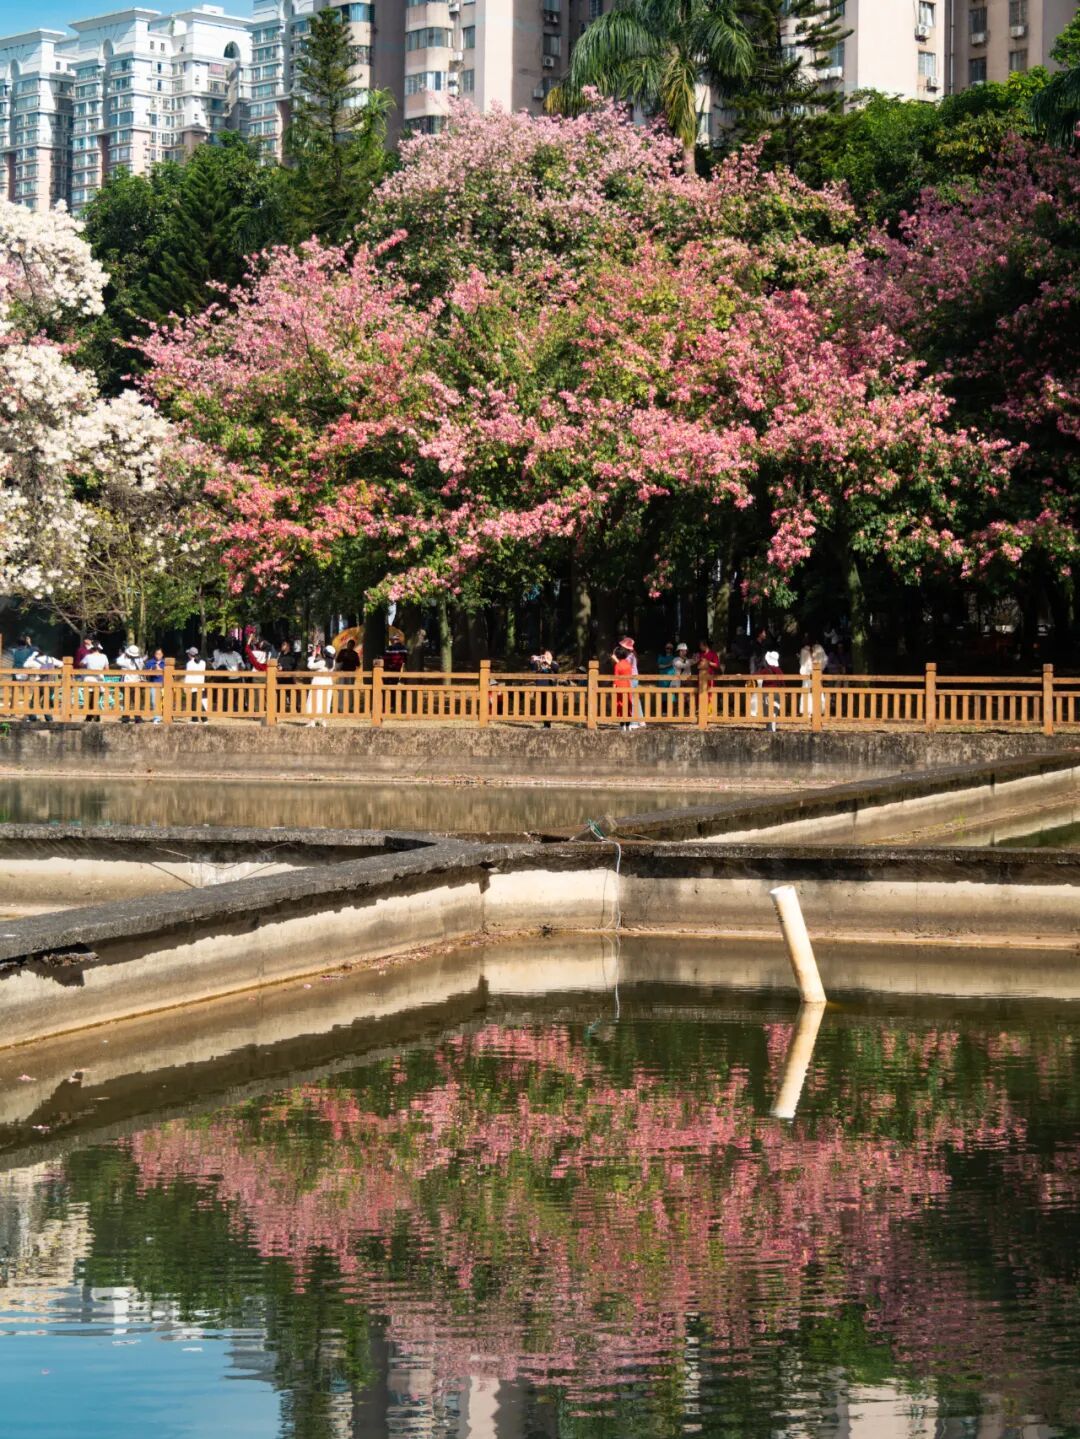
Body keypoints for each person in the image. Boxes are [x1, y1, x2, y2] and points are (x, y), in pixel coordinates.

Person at [116, 643, 144, 722]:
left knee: (126, 701)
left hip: (127, 682)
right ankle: (138, 718)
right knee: (137, 701)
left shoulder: (125, 661)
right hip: (137, 682)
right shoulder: (139, 660)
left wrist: (124, 653)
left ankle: (126, 717)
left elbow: (118, 661)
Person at [81, 641, 109, 721]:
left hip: (88, 679)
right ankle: (94, 717)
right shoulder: (104, 656)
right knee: (96, 699)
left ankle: (91, 717)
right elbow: (107, 668)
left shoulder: (88, 656)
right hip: (99, 679)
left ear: (91, 649)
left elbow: (81, 664)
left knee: (89, 700)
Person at [305, 645, 333, 724]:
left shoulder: (322, 662)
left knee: (314, 700)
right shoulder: (332, 663)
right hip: (328, 682)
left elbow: (310, 666)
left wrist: (313, 656)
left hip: (318, 682)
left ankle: (312, 721)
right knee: (325, 701)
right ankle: (324, 721)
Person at [758, 648, 784, 732]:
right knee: (774, 710)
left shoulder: (765, 670)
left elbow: (755, 675)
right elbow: (782, 682)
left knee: (767, 710)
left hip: (766, 693)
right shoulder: (779, 670)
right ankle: (772, 727)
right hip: (777, 693)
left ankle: (769, 728)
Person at [613, 643, 634, 728]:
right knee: (628, 703)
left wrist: (614, 687)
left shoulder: (617, 665)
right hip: (628, 685)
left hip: (620, 685)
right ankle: (628, 724)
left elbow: (616, 678)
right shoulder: (628, 664)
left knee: (620, 703)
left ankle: (622, 724)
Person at [184, 645, 207, 721]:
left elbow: (188, 676)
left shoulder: (189, 663)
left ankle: (200, 719)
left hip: (193, 685)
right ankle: (197, 718)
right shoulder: (203, 663)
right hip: (201, 684)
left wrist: (186, 686)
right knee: (198, 702)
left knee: (195, 703)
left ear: (190, 655)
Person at [144, 646, 166, 721]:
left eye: (160, 654)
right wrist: (153, 669)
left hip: (164, 684)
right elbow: (146, 673)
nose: (158, 655)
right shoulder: (150, 662)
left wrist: (161, 670)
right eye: (157, 654)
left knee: (165, 701)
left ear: (162, 654)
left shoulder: (166, 662)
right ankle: (157, 717)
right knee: (154, 701)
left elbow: (171, 674)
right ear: (154, 654)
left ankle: (167, 717)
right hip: (154, 684)